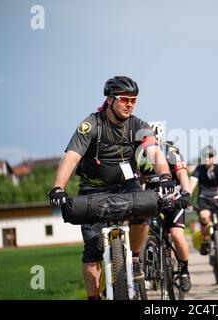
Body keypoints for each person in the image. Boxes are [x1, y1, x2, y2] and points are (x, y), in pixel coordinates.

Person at [48, 76, 175, 300]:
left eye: (133, 100)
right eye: (124, 99)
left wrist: (165, 175)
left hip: (127, 186)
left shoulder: (138, 125)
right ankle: (93, 297)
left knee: (144, 213)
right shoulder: (91, 124)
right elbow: (72, 156)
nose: (130, 104)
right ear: (109, 99)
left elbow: (154, 152)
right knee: (93, 250)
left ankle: (134, 259)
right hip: (92, 190)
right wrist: (58, 187)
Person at [137, 121, 192, 292]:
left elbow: (183, 174)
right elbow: (139, 182)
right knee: (144, 233)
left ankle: (184, 271)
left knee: (176, 235)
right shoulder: (140, 156)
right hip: (153, 201)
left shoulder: (171, 152)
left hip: (173, 200)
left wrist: (187, 194)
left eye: (154, 142)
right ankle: (146, 270)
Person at [189, 145, 218, 273]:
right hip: (204, 200)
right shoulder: (198, 170)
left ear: (213, 158)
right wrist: (187, 197)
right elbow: (191, 185)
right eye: (204, 156)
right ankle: (205, 240)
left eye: (209, 156)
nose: (207, 159)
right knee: (204, 217)